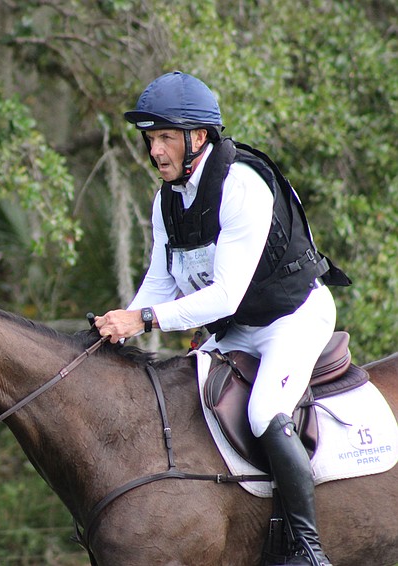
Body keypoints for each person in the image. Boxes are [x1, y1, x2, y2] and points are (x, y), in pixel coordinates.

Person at [95, 71, 350, 566]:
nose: (156, 151)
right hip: (237, 332)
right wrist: (121, 321)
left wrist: (144, 320)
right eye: (150, 139)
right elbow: (161, 280)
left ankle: (309, 549)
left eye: (166, 137)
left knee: (262, 413)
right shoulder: (167, 199)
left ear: (199, 136)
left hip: (292, 318)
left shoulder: (242, 186)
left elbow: (226, 296)